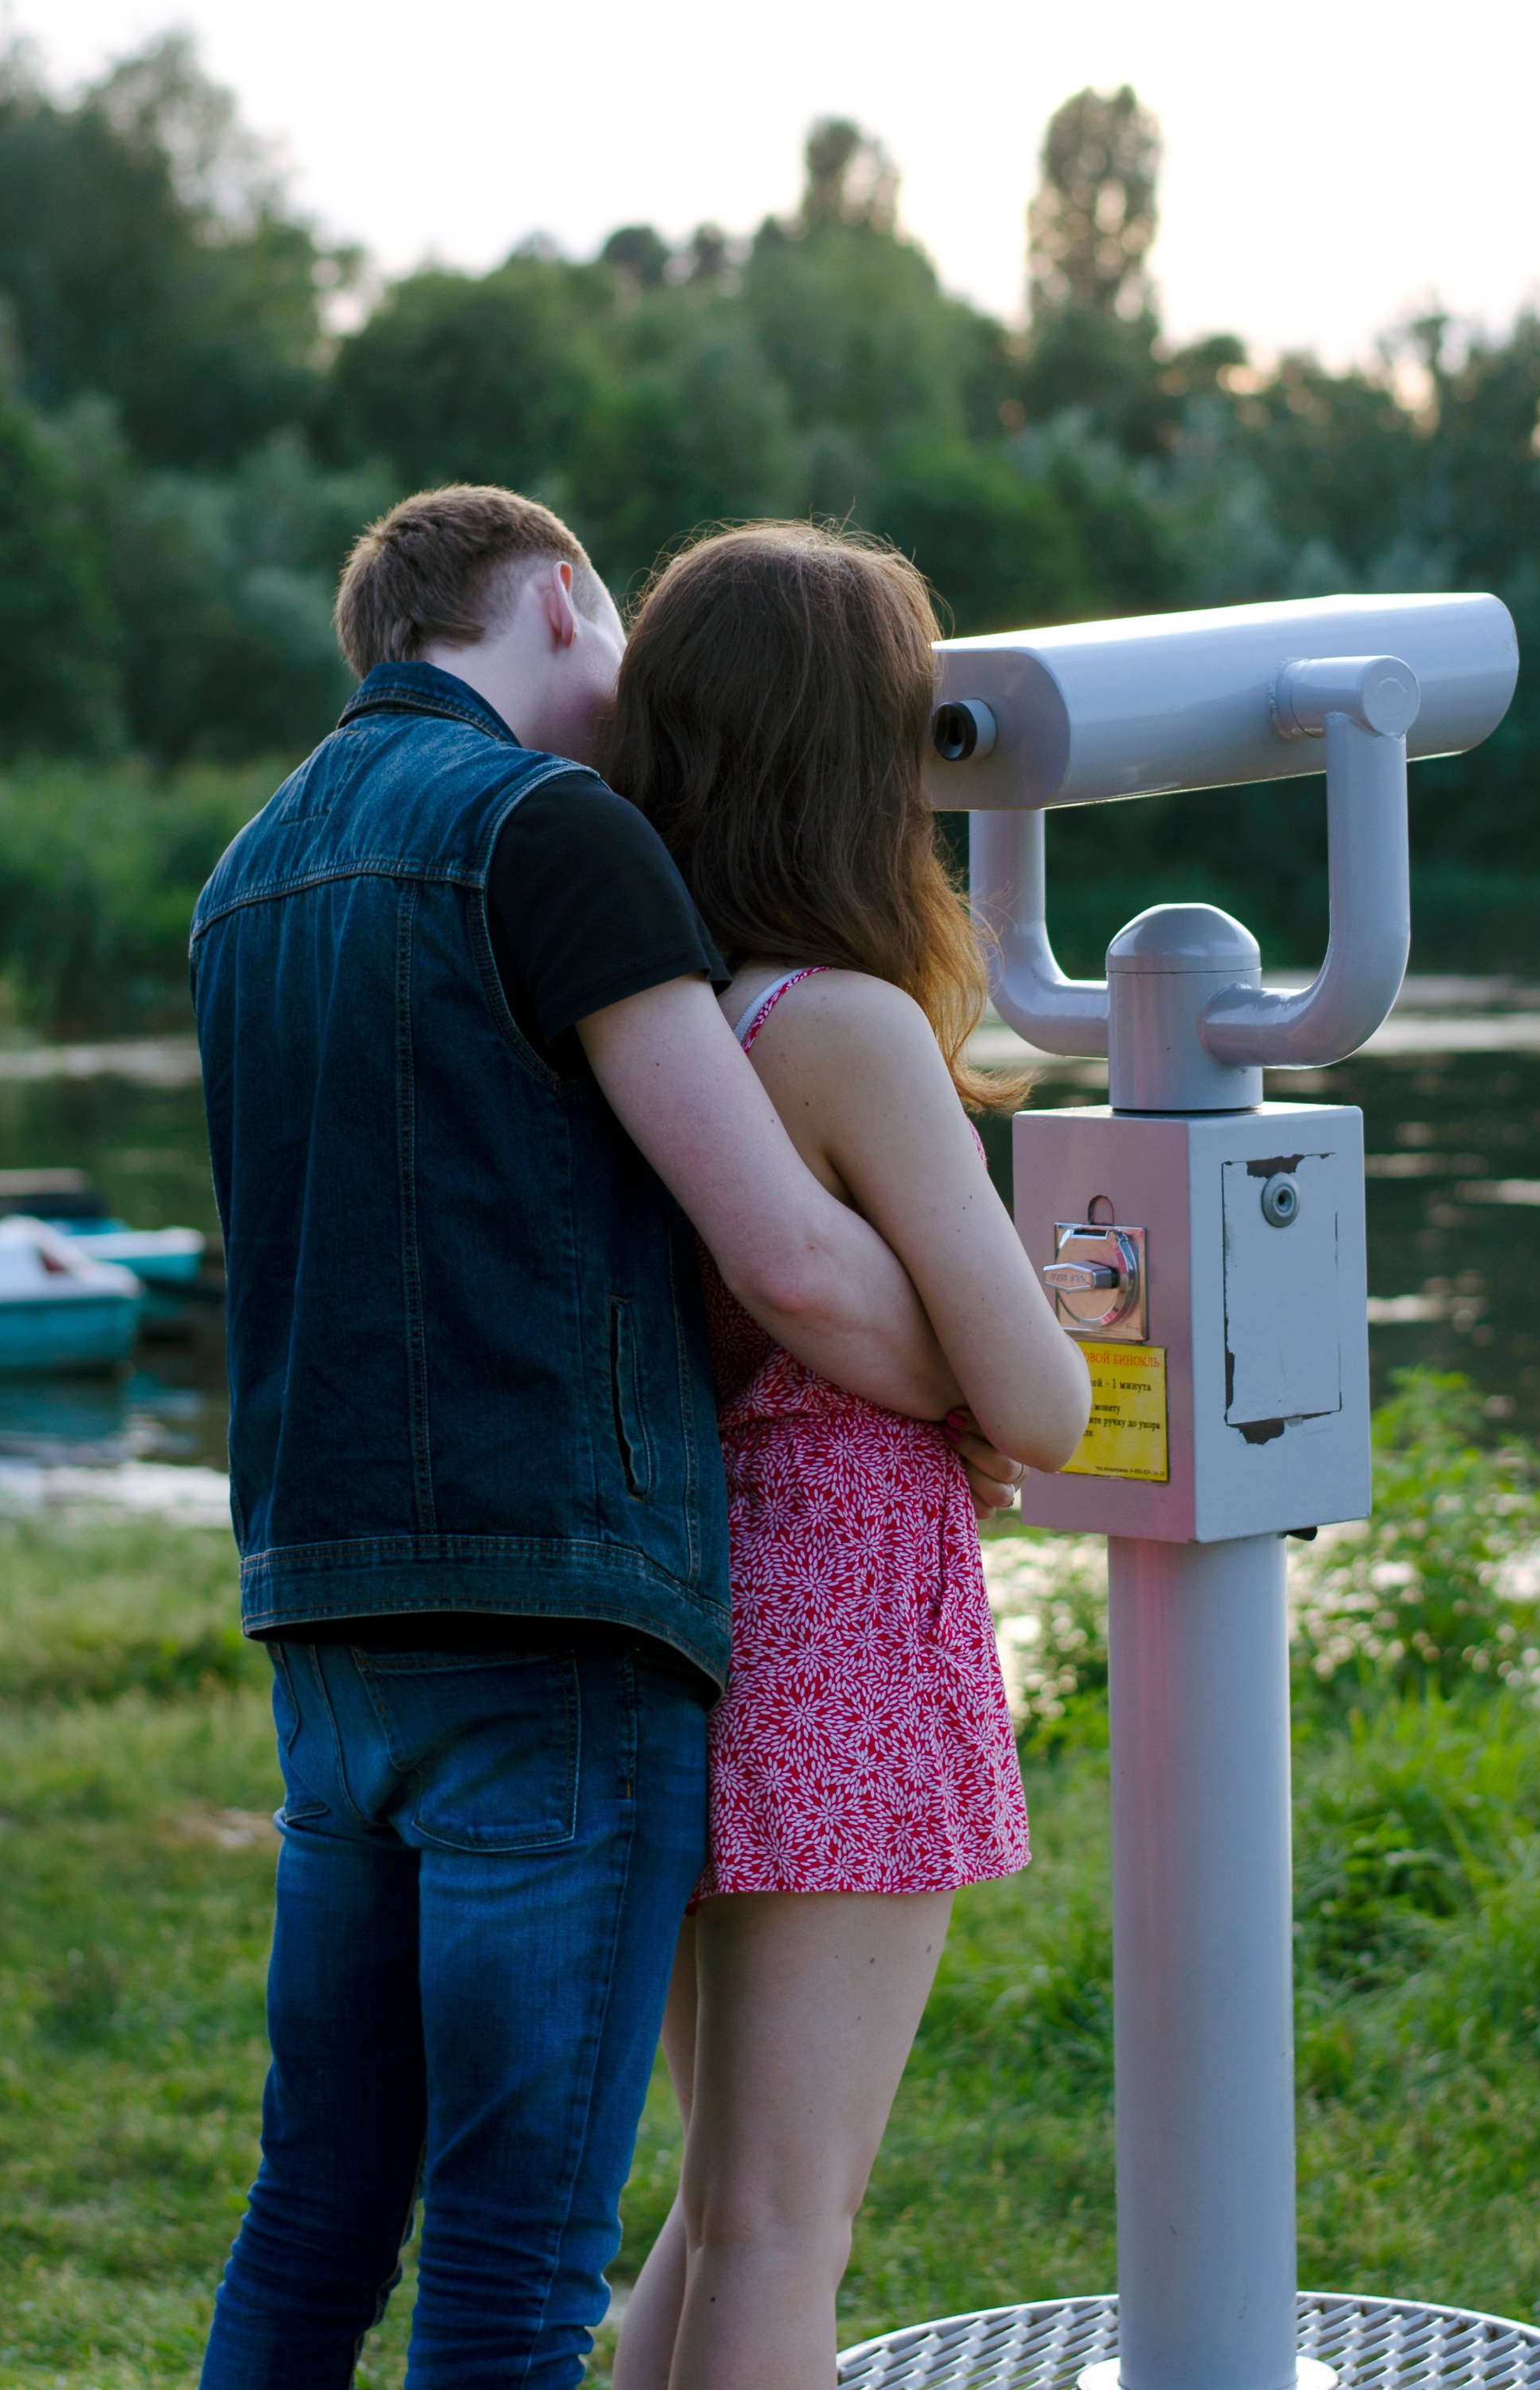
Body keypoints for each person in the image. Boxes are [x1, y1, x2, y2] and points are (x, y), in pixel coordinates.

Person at [190, 485, 988, 2390]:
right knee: (514, 2253)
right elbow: (786, 1255)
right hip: (549, 1614)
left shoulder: (247, 869)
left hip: (323, 1605)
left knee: (315, 2210)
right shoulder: (550, 830)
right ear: (560, 596)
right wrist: (990, 1383)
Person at [599, 525, 1090, 2390]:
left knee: (722, 2210)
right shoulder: (844, 1028)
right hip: (845, 1660)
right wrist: (1003, 1345)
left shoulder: (657, 1017)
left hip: (691, 1616)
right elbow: (1043, 1402)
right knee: (781, 2232)